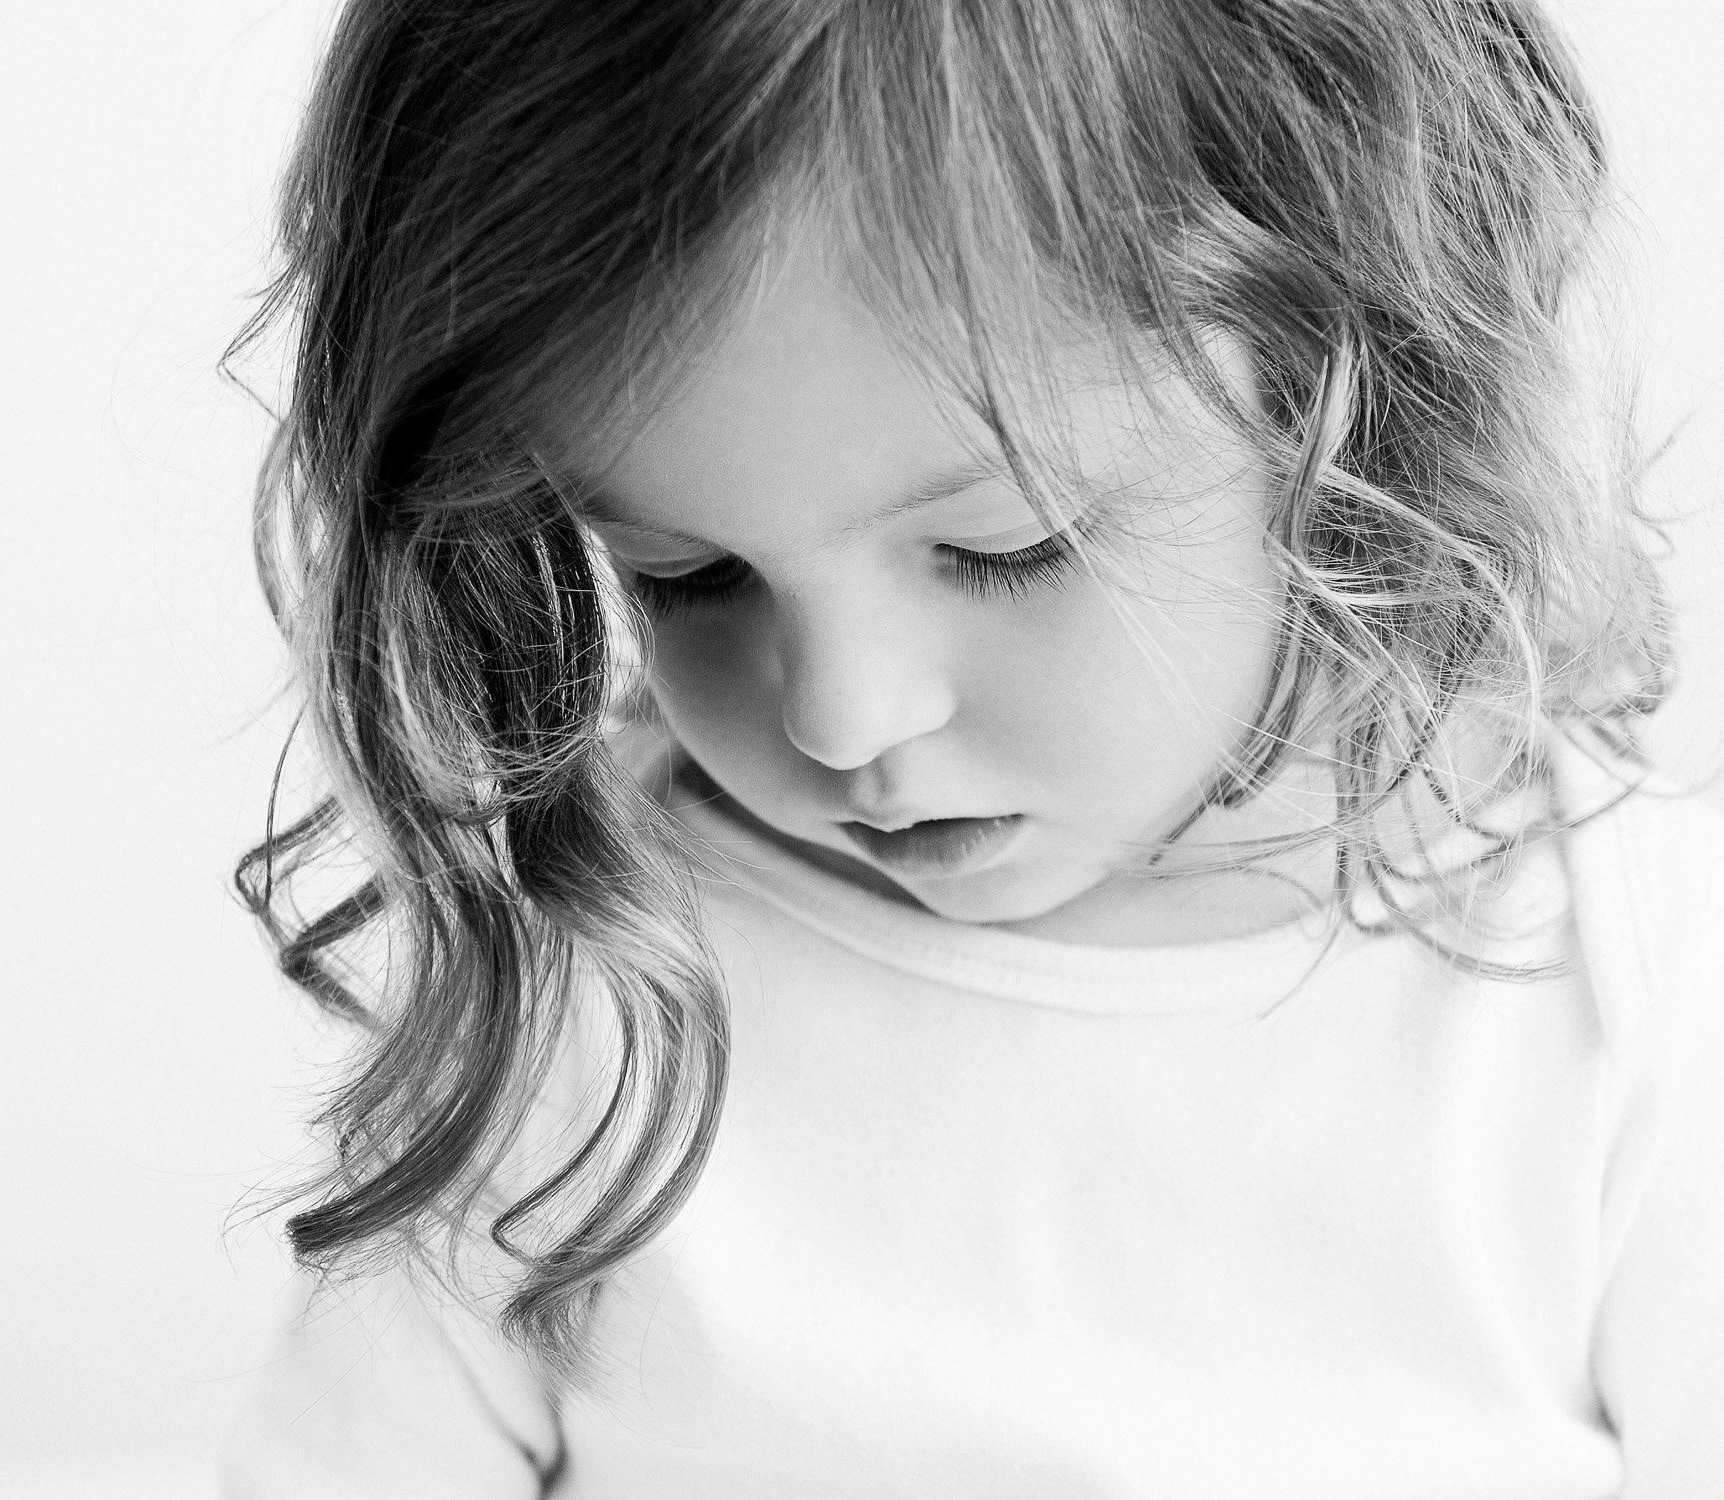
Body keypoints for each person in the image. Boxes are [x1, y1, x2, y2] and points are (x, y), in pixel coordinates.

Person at [217, 0, 1724, 1493]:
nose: (842, 717)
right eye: (689, 576)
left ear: (1344, 385)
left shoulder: (1626, 985)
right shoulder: (596, 972)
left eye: (1008, 548)